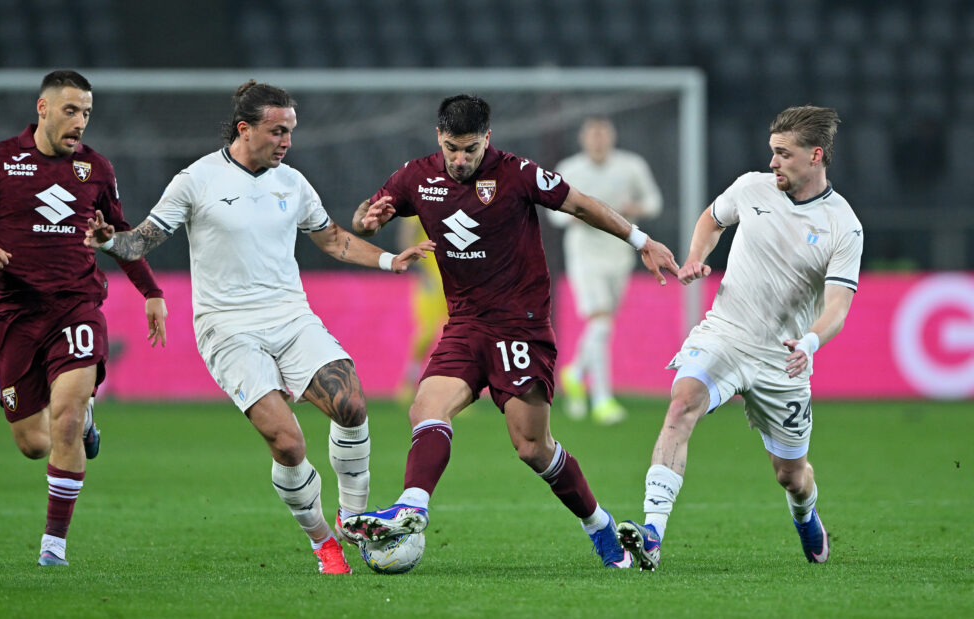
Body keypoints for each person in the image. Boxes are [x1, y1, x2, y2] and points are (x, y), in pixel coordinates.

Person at [84, 80, 434, 575]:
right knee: (289, 444)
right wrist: (109, 241)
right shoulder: (196, 180)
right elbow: (141, 242)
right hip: (227, 329)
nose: (287, 141)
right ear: (245, 129)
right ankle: (322, 541)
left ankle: (354, 517)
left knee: (352, 404)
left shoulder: (291, 182)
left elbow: (332, 238)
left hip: (290, 316)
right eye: (278, 131)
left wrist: (387, 260)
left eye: (290, 131)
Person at [340, 94, 680, 569]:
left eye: (471, 149)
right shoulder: (416, 176)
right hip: (464, 324)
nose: (460, 159)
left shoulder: (517, 173)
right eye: (453, 148)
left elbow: (580, 204)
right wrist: (367, 220)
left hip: (520, 327)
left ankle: (599, 526)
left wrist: (641, 240)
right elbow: (366, 214)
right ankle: (413, 505)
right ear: (439, 137)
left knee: (531, 447)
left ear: (488, 139)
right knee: (426, 406)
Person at [616, 106, 862, 571]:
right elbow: (712, 219)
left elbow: (837, 309)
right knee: (682, 401)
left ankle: (805, 513)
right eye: (771, 152)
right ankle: (652, 534)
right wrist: (694, 257)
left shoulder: (842, 225)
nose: (772, 163)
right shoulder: (751, 187)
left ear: (815, 155)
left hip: (783, 358)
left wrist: (808, 344)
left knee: (791, 475)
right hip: (727, 332)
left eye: (783, 155)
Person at [0, 70, 168, 566]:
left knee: (66, 418)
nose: (80, 123)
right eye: (71, 111)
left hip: (77, 305)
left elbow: (121, 234)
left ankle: (54, 546)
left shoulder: (96, 169)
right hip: (16, 313)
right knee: (33, 443)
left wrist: (151, 291)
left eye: (87, 113)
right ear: (43, 108)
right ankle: (83, 425)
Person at [547, 116, 663, 424]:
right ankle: (601, 398)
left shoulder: (631, 166)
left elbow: (653, 201)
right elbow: (553, 211)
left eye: (602, 135)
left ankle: (575, 371)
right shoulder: (570, 169)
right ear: (584, 139)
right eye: (592, 136)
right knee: (599, 321)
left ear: (611, 138)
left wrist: (634, 209)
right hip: (584, 254)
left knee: (604, 324)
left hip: (619, 253)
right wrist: (572, 215)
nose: (597, 141)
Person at [395, 216, 448, 403]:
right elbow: (406, 238)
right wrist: (419, 270)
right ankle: (408, 384)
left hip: (455, 278)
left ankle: (456, 388)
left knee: (460, 332)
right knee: (426, 333)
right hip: (431, 279)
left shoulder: (455, 199)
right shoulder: (418, 204)